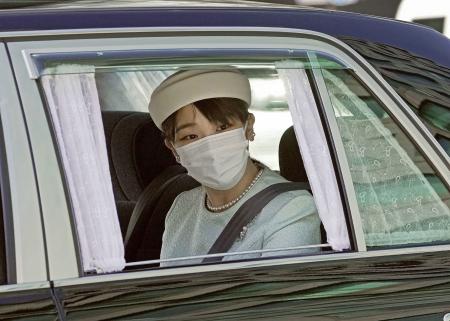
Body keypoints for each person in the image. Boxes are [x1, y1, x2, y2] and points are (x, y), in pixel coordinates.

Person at [148, 69, 321, 266]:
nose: (211, 148)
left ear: (248, 127)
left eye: (222, 128)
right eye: (191, 136)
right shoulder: (181, 206)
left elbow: (274, 295)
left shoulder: (292, 207)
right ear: (173, 148)